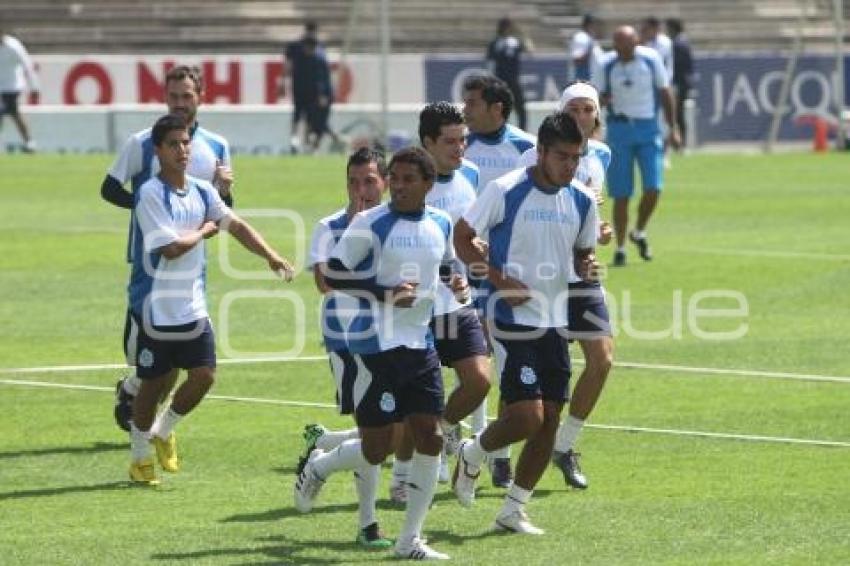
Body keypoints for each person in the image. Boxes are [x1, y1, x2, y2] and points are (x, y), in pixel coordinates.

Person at [294, 147, 454, 560]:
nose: (397, 186)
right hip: (373, 347)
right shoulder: (370, 223)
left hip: (419, 345)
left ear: (428, 185)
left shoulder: (441, 222)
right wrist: (384, 294)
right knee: (377, 446)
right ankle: (320, 466)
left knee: (431, 437)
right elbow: (333, 273)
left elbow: (443, 265)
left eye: (407, 179)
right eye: (394, 178)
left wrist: (459, 279)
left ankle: (409, 541)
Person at [452, 112, 599, 534]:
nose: (570, 166)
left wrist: (586, 264)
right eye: (562, 157)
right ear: (541, 152)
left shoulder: (582, 199)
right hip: (509, 315)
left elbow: (581, 255)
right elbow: (462, 238)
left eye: (576, 158)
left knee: (550, 419)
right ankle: (473, 452)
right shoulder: (505, 190)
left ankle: (513, 509)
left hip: (557, 319)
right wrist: (499, 279)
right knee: (528, 416)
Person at [127, 114, 293, 486]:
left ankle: (164, 430)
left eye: (185, 142)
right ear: (159, 151)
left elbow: (236, 225)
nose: (182, 150)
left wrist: (270, 254)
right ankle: (139, 457)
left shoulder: (202, 190)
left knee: (204, 376)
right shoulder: (150, 194)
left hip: (193, 306)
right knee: (152, 385)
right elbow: (170, 248)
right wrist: (204, 229)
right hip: (158, 310)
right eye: (173, 144)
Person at [102, 65, 235, 434]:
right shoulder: (143, 142)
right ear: (165, 97)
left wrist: (223, 190)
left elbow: (224, 209)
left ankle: (139, 408)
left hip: (194, 263)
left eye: (186, 96)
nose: (179, 104)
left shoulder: (216, 147)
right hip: (150, 260)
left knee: (180, 347)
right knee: (156, 350)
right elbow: (110, 188)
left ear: (201, 97)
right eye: (173, 96)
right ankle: (138, 402)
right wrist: (149, 212)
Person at [516, 82, 614, 489]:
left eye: (587, 109)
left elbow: (586, 220)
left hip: (582, 276)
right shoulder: (530, 157)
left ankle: (564, 445)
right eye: (573, 109)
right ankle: (495, 454)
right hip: (541, 280)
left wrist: (600, 232)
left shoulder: (603, 154)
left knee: (602, 360)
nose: (581, 116)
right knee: (529, 380)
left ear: (596, 115)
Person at [299, 146, 393, 547]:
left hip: (394, 338)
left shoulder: (396, 226)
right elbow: (324, 282)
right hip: (346, 340)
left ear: (385, 183)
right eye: (354, 182)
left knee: (394, 431)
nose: (361, 190)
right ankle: (368, 523)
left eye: (369, 181)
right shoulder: (330, 227)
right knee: (372, 431)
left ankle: (322, 458)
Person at [462, 72, 536, 487]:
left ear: (497, 108)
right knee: (473, 362)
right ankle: (472, 440)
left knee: (505, 360)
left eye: (472, 104)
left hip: (510, 271)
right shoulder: (458, 145)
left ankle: (498, 453)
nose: (465, 111)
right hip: (462, 264)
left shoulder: (525, 147)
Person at [419, 101, 491, 480]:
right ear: (428, 143)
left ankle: (446, 429)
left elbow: (469, 232)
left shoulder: (472, 175)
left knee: (479, 380)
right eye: (450, 142)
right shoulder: (410, 182)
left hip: (459, 302)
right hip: (416, 308)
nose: (460, 148)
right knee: (400, 417)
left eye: (463, 140)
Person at [593, 25, 680, 267]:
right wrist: (602, 104)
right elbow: (595, 97)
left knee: (654, 187)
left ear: (636, 42)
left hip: (647, 128)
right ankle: (620, 248)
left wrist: (673, 128)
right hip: (619, 130)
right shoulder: (606, 63)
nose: (622, 49)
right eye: (618, 44)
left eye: (627, 43)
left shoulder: (651, 59)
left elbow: (665, 92)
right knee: (621, 194)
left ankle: (639, 231)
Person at [486, 17, 531, 131]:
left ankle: (523, 130)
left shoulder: (515, 41)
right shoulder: (495, 43)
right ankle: (501, 131)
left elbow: (530, 50)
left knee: (520, 108)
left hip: (514, 80)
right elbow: (490, 63)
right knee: (502, 109)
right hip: (500, 81)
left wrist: (522, 34)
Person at [0, 26, 39, 152]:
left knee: (14, 112)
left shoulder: (13, 46)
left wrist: (35, 87)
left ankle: (29, 142)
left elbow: (27, 65)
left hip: (12, 86)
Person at [666, 18, 695, 148]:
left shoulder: (678, 44)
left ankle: (681, 143)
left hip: (679, 83)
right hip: (682, 82)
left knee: (678, 114)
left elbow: (678, 66)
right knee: (678, 114)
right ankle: (680, 143)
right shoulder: (683, 41)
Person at [569, 14, 602, 83]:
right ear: (589, 24)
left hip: (594, 77)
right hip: (584, 78)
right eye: (595, 24)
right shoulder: (581, 37)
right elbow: (577, 59)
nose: (597, 27)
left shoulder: (589, 37)